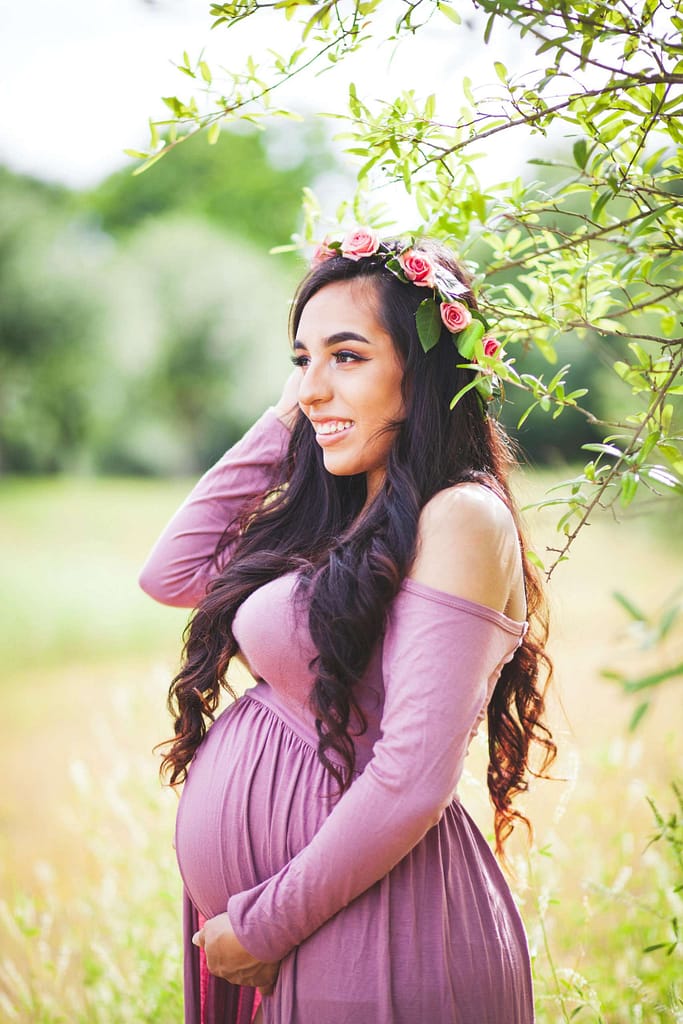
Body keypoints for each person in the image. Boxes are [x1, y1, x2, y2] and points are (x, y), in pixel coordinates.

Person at [139, 228, 556, 1024]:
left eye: (348, 356)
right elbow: (170, 573)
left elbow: (410, 778)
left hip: (379, 926)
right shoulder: (331, 518)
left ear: (424, 367)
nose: (311, 389)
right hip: (300, 928)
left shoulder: (461, 518)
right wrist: (294, 415)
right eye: (301, 360)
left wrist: (265, 924)